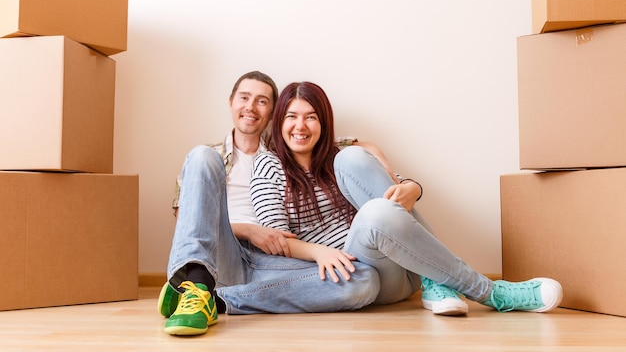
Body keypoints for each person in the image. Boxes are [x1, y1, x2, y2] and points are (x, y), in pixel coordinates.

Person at [250, 81, 564, 317]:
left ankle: (436, 281)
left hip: (412, 269)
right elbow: (277, 241)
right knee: (374, 213)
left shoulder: (339, 157)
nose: (300, 126)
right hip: (365, 274)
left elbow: (396, 188)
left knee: (354, 160)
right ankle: (491, 292)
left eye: (311, 117)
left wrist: (413, 188)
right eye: (292, 117)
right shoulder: (268, 164)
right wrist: (319, 253)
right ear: (279, 123)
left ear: (324, 123)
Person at [158, 71, 380, 336]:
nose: (251, 107)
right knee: (201, 154)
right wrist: (249, 231)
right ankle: (196, 282)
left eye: (262, 101)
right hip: (223, 254)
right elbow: (188, 220)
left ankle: (219, 300)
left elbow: (339, 145)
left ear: (273, 113)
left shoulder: (285, 152)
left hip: (271, 262)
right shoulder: (207, 161)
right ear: (231, 102)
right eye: (244, 98)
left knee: (364, 279)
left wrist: (377, 158)